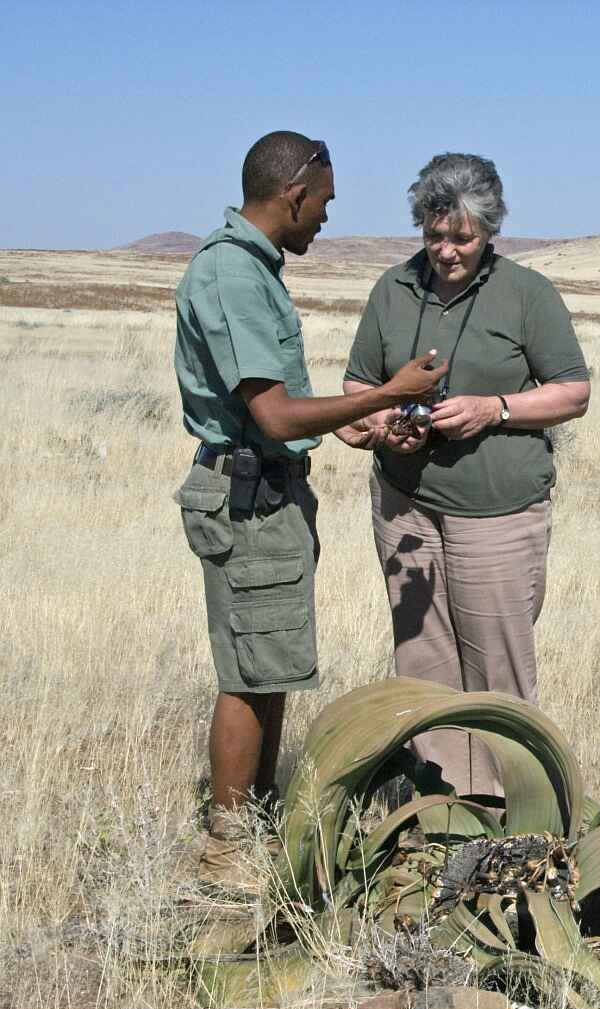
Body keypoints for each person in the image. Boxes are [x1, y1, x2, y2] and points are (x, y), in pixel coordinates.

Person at [174, 131, 445, 885]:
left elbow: (284, 410)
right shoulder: (231, 272)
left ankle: (256, 821)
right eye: (323, 202)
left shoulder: (252, 268)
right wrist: (388, 393)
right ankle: (229, 847)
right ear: (294, 193)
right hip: (248, 497)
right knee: (247, 673)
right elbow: (275, 417)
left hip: (268, 491)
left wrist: (358, 421)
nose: (326, 217)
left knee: (269, 668)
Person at [339, 152, 590, 797]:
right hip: (406, 505)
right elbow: (356, 385)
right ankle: (448, 803)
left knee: (494, 661)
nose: (446, 250)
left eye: (462, 237)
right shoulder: (393, 289)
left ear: (491, 230)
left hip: (497, 511)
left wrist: (494, 409)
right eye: (434, 234)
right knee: (422, 656)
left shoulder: (527, 294)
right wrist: (383, 421)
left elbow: (571, 392)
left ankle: (520, 812)